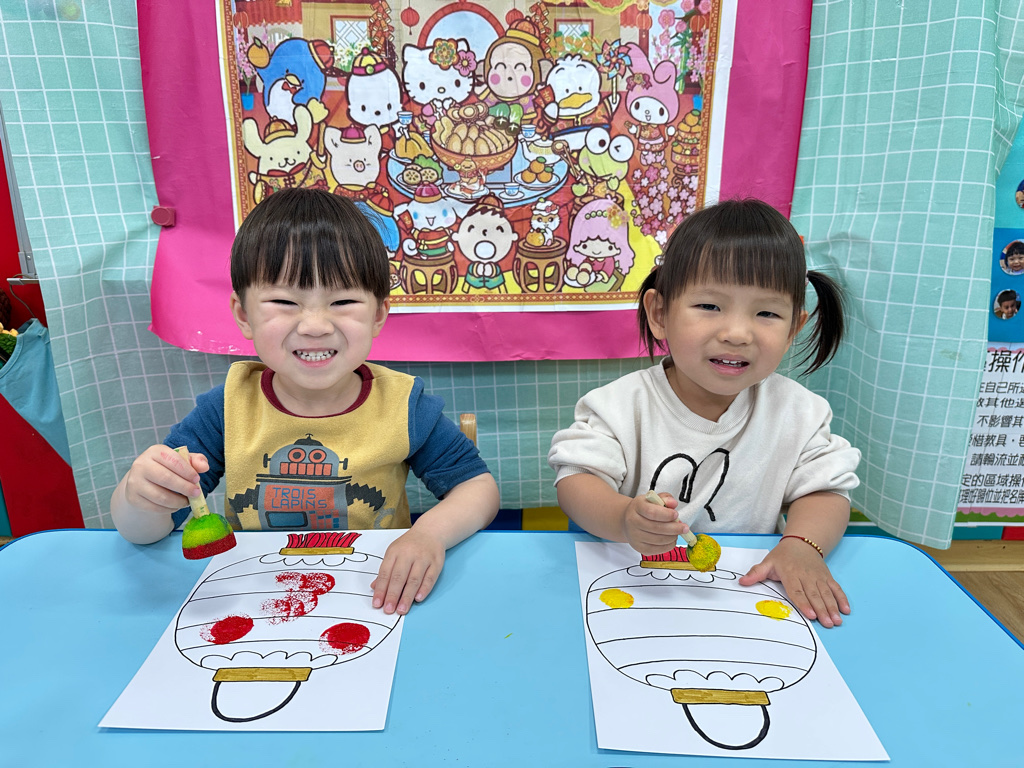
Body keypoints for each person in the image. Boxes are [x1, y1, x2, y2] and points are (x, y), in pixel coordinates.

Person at [111, 188, 499, 615]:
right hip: (254, 599)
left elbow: (477, 488)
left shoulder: (405, 405)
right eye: (284, 302)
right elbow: (142, 532)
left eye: (343, 301)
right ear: (243, 315)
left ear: (378, 314)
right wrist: (138, 499)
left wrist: (428, 535)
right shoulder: (226, 409)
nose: (315, 326)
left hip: (371, 598)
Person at [548, 199, 860, 628]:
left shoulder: (799, 412)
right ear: (660, 314)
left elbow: (825, 492)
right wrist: (622, 519)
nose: (737, 333)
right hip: (628, 589)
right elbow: (576, 480)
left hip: (743, 597)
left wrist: (803, 545)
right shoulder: (620, 405)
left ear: (793, 329)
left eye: (767, 313)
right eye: (710, 306)